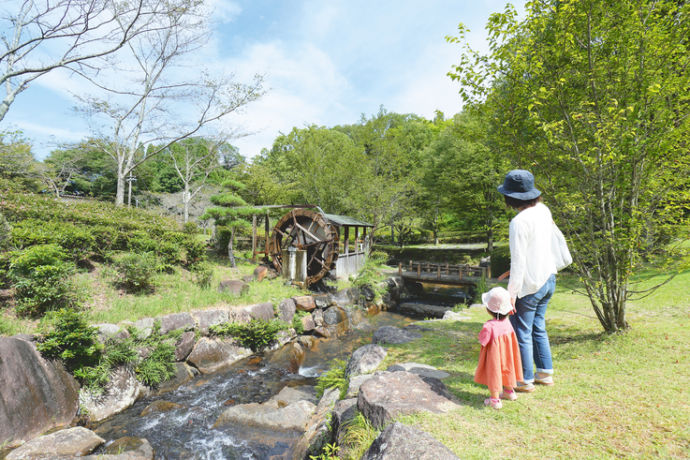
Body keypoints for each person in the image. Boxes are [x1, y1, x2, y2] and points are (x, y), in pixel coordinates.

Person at [497, 169, 557, 392]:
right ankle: (545, 373)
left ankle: (524, 379)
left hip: (530, 284)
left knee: (521, 330)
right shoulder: (543, 210)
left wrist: (511, 295)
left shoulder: (518, 222)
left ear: (510, 197)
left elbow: (519, 260)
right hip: (548, 277)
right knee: (538, 326)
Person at [474, 286, 523, 410]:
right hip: (507, 355)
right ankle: (509, 391)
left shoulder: (489, 326)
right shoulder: (507, 322)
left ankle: (494, 400)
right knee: (508, 369)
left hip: (494, 356)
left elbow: (483, 340)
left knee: (494, 373)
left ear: (489, 309)